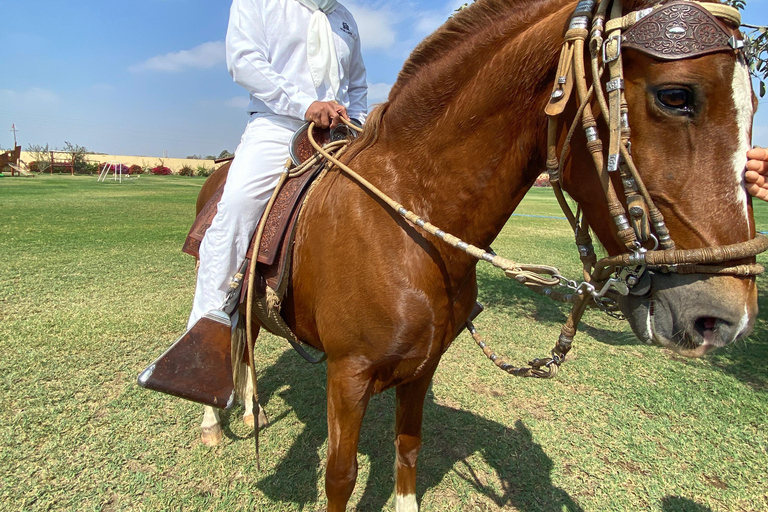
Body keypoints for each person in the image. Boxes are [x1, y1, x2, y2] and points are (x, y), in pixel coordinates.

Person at [188, 0, 367, 329]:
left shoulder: (345, 19)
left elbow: (357, 84)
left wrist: (357, 120)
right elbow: (244, 61)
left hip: (342, 132)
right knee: (239, 204)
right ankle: (206, 329)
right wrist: (305, 104)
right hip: (278, 124)